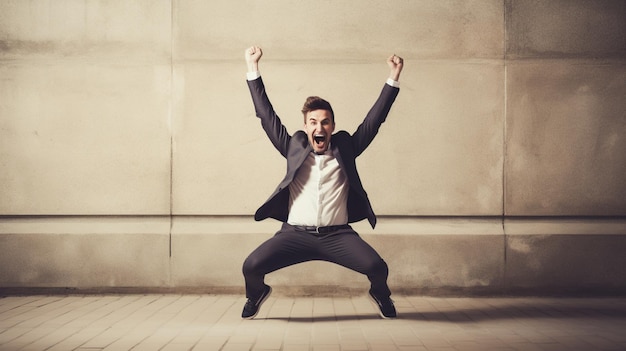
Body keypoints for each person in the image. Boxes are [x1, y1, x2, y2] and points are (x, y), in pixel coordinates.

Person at [241, 46, 403, 319]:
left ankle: (381, 295)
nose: (319, 128)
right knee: (251, 266)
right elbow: (266, 117)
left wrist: (393, 77)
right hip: (294, 236)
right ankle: (256, 293)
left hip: (338, 236)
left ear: (332, 126)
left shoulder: (346, 147)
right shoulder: (293, 146)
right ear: (306, 127)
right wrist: (252, 68)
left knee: (377, 267)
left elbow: (374, 121)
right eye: (313, 122)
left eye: (325, 123)